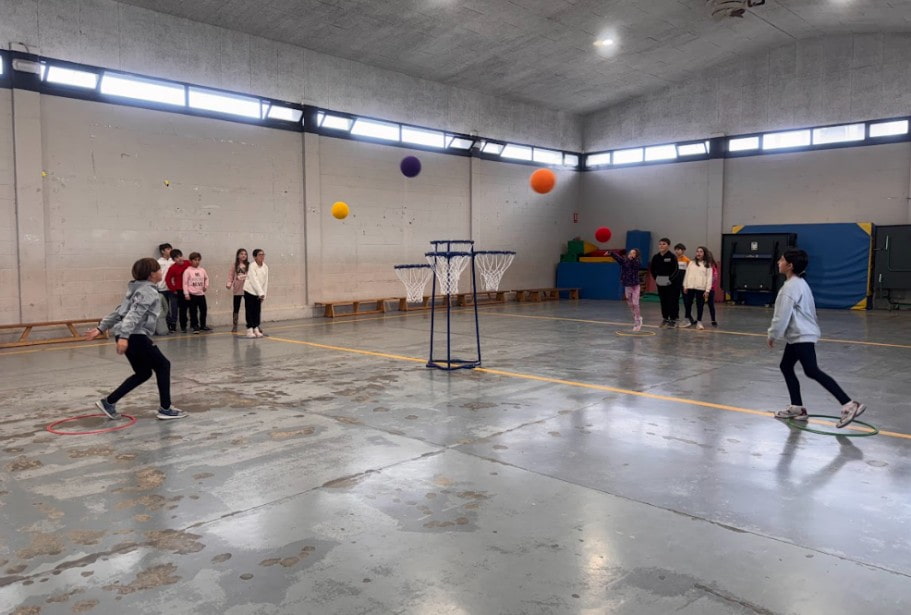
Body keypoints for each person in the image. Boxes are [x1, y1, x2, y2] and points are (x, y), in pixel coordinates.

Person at [767, 249, 865, 428]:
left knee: (811, 370)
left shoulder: (789, 288)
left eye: (781, 260)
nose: (778, 262)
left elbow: (782, 316)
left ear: (790, 266)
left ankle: (850, 404)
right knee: (786, 366)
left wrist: (773, 334)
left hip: (801, 335)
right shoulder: (801, 283)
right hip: (801, 334)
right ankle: (797, 408)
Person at [84, 258, 187, 420]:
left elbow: (119, 312)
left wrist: (100, 328)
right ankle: (165, 408)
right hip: (134, 335)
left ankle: (108, 402)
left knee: (143, 373)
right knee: (163, 365)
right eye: (159, 270)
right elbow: (133, 315)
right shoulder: (148, 291)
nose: (161, 272)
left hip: (127, 334)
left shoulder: (136, 289)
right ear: (152, 274)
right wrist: (125, 337)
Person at [610, 248, 643, 331]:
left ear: (636, 255)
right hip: (627, 286)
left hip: (635, 286)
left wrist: (633, 260)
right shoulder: (624, 261)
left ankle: (637, 321)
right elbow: (618, 258)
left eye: (633, 253)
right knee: (630, 304)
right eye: (630, 253)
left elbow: (637, 265)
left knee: (635, 303)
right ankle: (636, 317)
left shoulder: (637, 262)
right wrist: (611, 253)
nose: (631, 254)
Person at [649, 238, 679, 327]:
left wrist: (669, 279)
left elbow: (676, 270)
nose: (661, 246)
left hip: (671, 283)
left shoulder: (672, 256)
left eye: (664, 244)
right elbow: (652, 269)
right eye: (660, 244)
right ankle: (665, 318)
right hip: (660, 281)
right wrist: (656, 278)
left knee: (672, 300)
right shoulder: (656, 257)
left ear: (668, 246)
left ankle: (673, 319)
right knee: (663, 300)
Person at [682, 246, 713, 330]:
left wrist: (707, 290)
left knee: (700, 305)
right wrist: (685, 285)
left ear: (704, 253)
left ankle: (699, 322)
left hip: (701, 288)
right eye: (697, 251)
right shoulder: (691, 263)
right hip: (690, 287)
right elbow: (687, 275)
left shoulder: (707, 264)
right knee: (688, 303)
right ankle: (687, 320)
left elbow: (709, 278)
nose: (698, 253)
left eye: (701, 251)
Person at [182, 252, 210, 333]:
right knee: (193, 311)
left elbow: (207, 278)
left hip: (201, 294)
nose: (197, 262)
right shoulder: (187, 271)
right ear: (190, 261)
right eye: (195, 260)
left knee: (203, 310)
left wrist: (206, 286)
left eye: (198, 260)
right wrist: (186, 293)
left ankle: (203, 325)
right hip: (192, 294)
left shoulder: (202, 270)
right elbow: (185, 283)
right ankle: (195, 326)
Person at [243, 248, 269, 338]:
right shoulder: (252, 266)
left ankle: (256, 328)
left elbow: (265, 282)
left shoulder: (265, 267)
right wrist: (260, 292)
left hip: (259, 293)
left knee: (257, 311)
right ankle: (249, 329)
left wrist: (263, 294)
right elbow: (254, 280)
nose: (262, 256)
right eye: (260, 255)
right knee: (249, 310)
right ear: (255, 257)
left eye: (263, 254)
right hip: (250, 291)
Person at [165, 249, 190, 332]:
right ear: (173, 259)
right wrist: (174, 289)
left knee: (193, 308)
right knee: (183, 309)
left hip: (191, 289)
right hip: (180, 290)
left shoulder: (188, 263)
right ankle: (183, 327)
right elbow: (168, 280)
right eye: (176, 257)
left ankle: (195, 325)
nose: (179, 258)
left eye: (180, 256)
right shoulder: (172, 268)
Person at [226, 248, 249, 333]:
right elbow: (230, 275)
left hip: (247, 289)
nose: (243, 255)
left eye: (245, 254)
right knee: (236, 308)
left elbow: (252, 276)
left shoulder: (249, 265)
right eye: (242, 254)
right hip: (237, 289)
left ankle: (251, 325)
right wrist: (229, 283)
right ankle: (235, 325)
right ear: (238, 255)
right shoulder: (234, 265)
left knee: (249, 308)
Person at [157, 243, 177, 334]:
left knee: (174, 307)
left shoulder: (173, 261)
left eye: (171, 249)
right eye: (168, 249)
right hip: (162, 288)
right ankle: (168, 324)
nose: (170, 250)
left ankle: (173, 324)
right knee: (165, 308)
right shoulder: (158, 262)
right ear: (162, 251)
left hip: (172, 288)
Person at [674, 243, 691, 324]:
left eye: (679, 249)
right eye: (676, 249)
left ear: (683, 250)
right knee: (674, 300)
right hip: (675, 284)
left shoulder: (687, 260)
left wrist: (687, 285)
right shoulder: (673, 259)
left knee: (686, 301)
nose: (677, 251)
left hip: (684, 284)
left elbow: (690, 273)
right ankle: (675, 316)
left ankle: (688, 317)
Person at [707, 250, 720, 327]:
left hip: (711, 288)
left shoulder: (713, 266)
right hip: (702, 287)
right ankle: (699, 320)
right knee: (700, 305)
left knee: (711, 304)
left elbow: (714, 277)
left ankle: (713, 319)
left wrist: (708, 287)